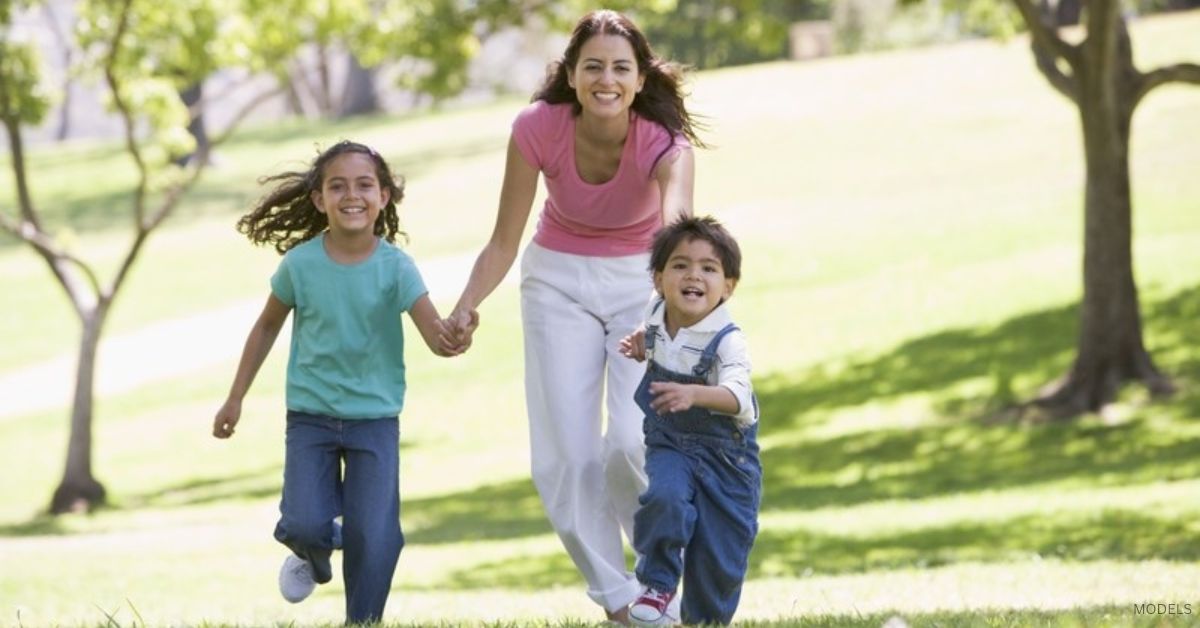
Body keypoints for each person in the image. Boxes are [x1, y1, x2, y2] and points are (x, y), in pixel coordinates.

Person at [445, 9, 703, 624]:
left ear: (641, 79)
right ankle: (618, 600)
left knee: (632, 443)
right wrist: (464, 306)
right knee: (567, 452)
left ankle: (657, 578)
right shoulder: (538, 128)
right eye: (593, 66)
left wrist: (663, 316)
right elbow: (504, 240)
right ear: (572, 74)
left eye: (620, 68)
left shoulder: (666, 145)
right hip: (557, 281)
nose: (606, 79)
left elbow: (676, 238)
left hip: (641, 284)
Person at [211, 140, 471, 625]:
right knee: (306, 523)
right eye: (338, 186)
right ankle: (313, 552)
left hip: (374, 421)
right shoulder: (300, 265)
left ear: (384, 196)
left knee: (374, 533)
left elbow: (437, 337)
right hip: (310, 418)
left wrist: (456, 336)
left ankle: (363, 620)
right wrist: (235, 398)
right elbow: (266, 326)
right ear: (319, 199)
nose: (352, 195)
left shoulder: (396, 268)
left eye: (364, 184)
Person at [620, 216, 760, 627]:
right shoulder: (657, 311)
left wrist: (693, 394)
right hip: (671, 443)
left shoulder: (728, 340)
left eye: (708, 268)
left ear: (728, 286)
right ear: (659, 278)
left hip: (727, 462)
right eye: (680, 265)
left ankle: (703, 620)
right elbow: (654, 333)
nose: (693, 275)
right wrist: (640, 343)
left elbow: (737, 397)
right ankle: (659, 582)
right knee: (663, 497)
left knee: (719, 559)